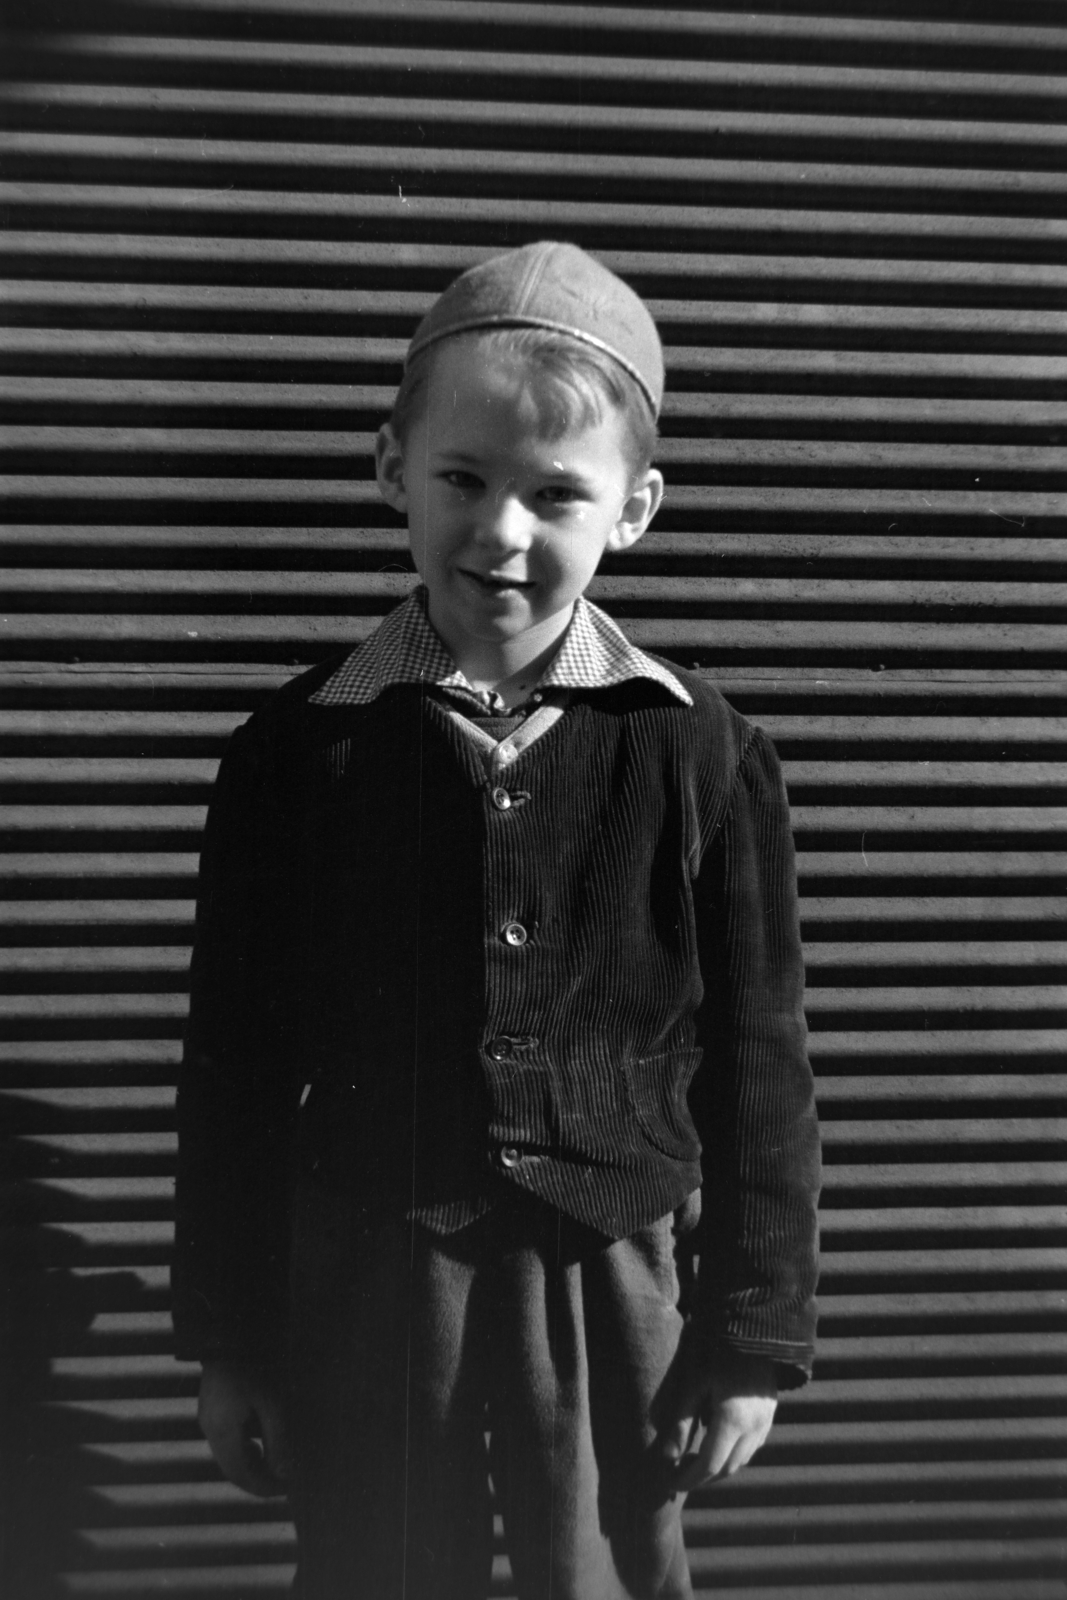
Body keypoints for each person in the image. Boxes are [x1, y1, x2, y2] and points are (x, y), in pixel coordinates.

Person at [172, 240, 821, 1600]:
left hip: (610, 1266)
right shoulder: (294, 752)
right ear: (391, 466)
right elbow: (232, 1069)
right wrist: (231, 1340)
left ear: (634, 508)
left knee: (603, 1571)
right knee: (378, 1565)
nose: (502, 533)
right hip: (364, 1267)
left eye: (556, 493)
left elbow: (762, 1070)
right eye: (462, 479)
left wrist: (752, 1339)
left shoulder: (706, 755)